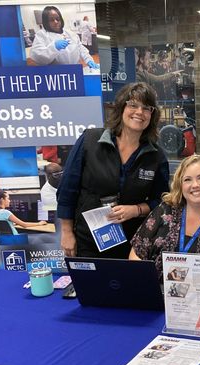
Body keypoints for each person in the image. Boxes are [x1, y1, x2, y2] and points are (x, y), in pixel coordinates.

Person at [57, 82, 170, 259]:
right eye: (133, 105)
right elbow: (67, 189)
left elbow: (163, 200)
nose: (139, 112)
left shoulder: (155, 156)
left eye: (146, 108)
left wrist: (136, 210)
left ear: (151, 115)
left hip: (134, 243)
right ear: (121, 107)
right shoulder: (90, 141)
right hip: (88, 240)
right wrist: (66, 232)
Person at [130, 155, 200, 291]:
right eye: (187, 179)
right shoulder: (165, 210)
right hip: (154, 294)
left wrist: (195, 292)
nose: (195, 185)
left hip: (199, 300)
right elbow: (137, 252)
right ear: (181, 185)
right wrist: (146, 285)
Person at [30, 6, 99, 69]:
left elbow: (80, 48)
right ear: (46, 22)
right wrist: (54, 48)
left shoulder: (71, 34)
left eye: (58, 19)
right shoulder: (42, 35)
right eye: (51, 20)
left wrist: (88, 60)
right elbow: (37, 56)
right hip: (57, 74)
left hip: (75, 71)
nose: (56, 22)